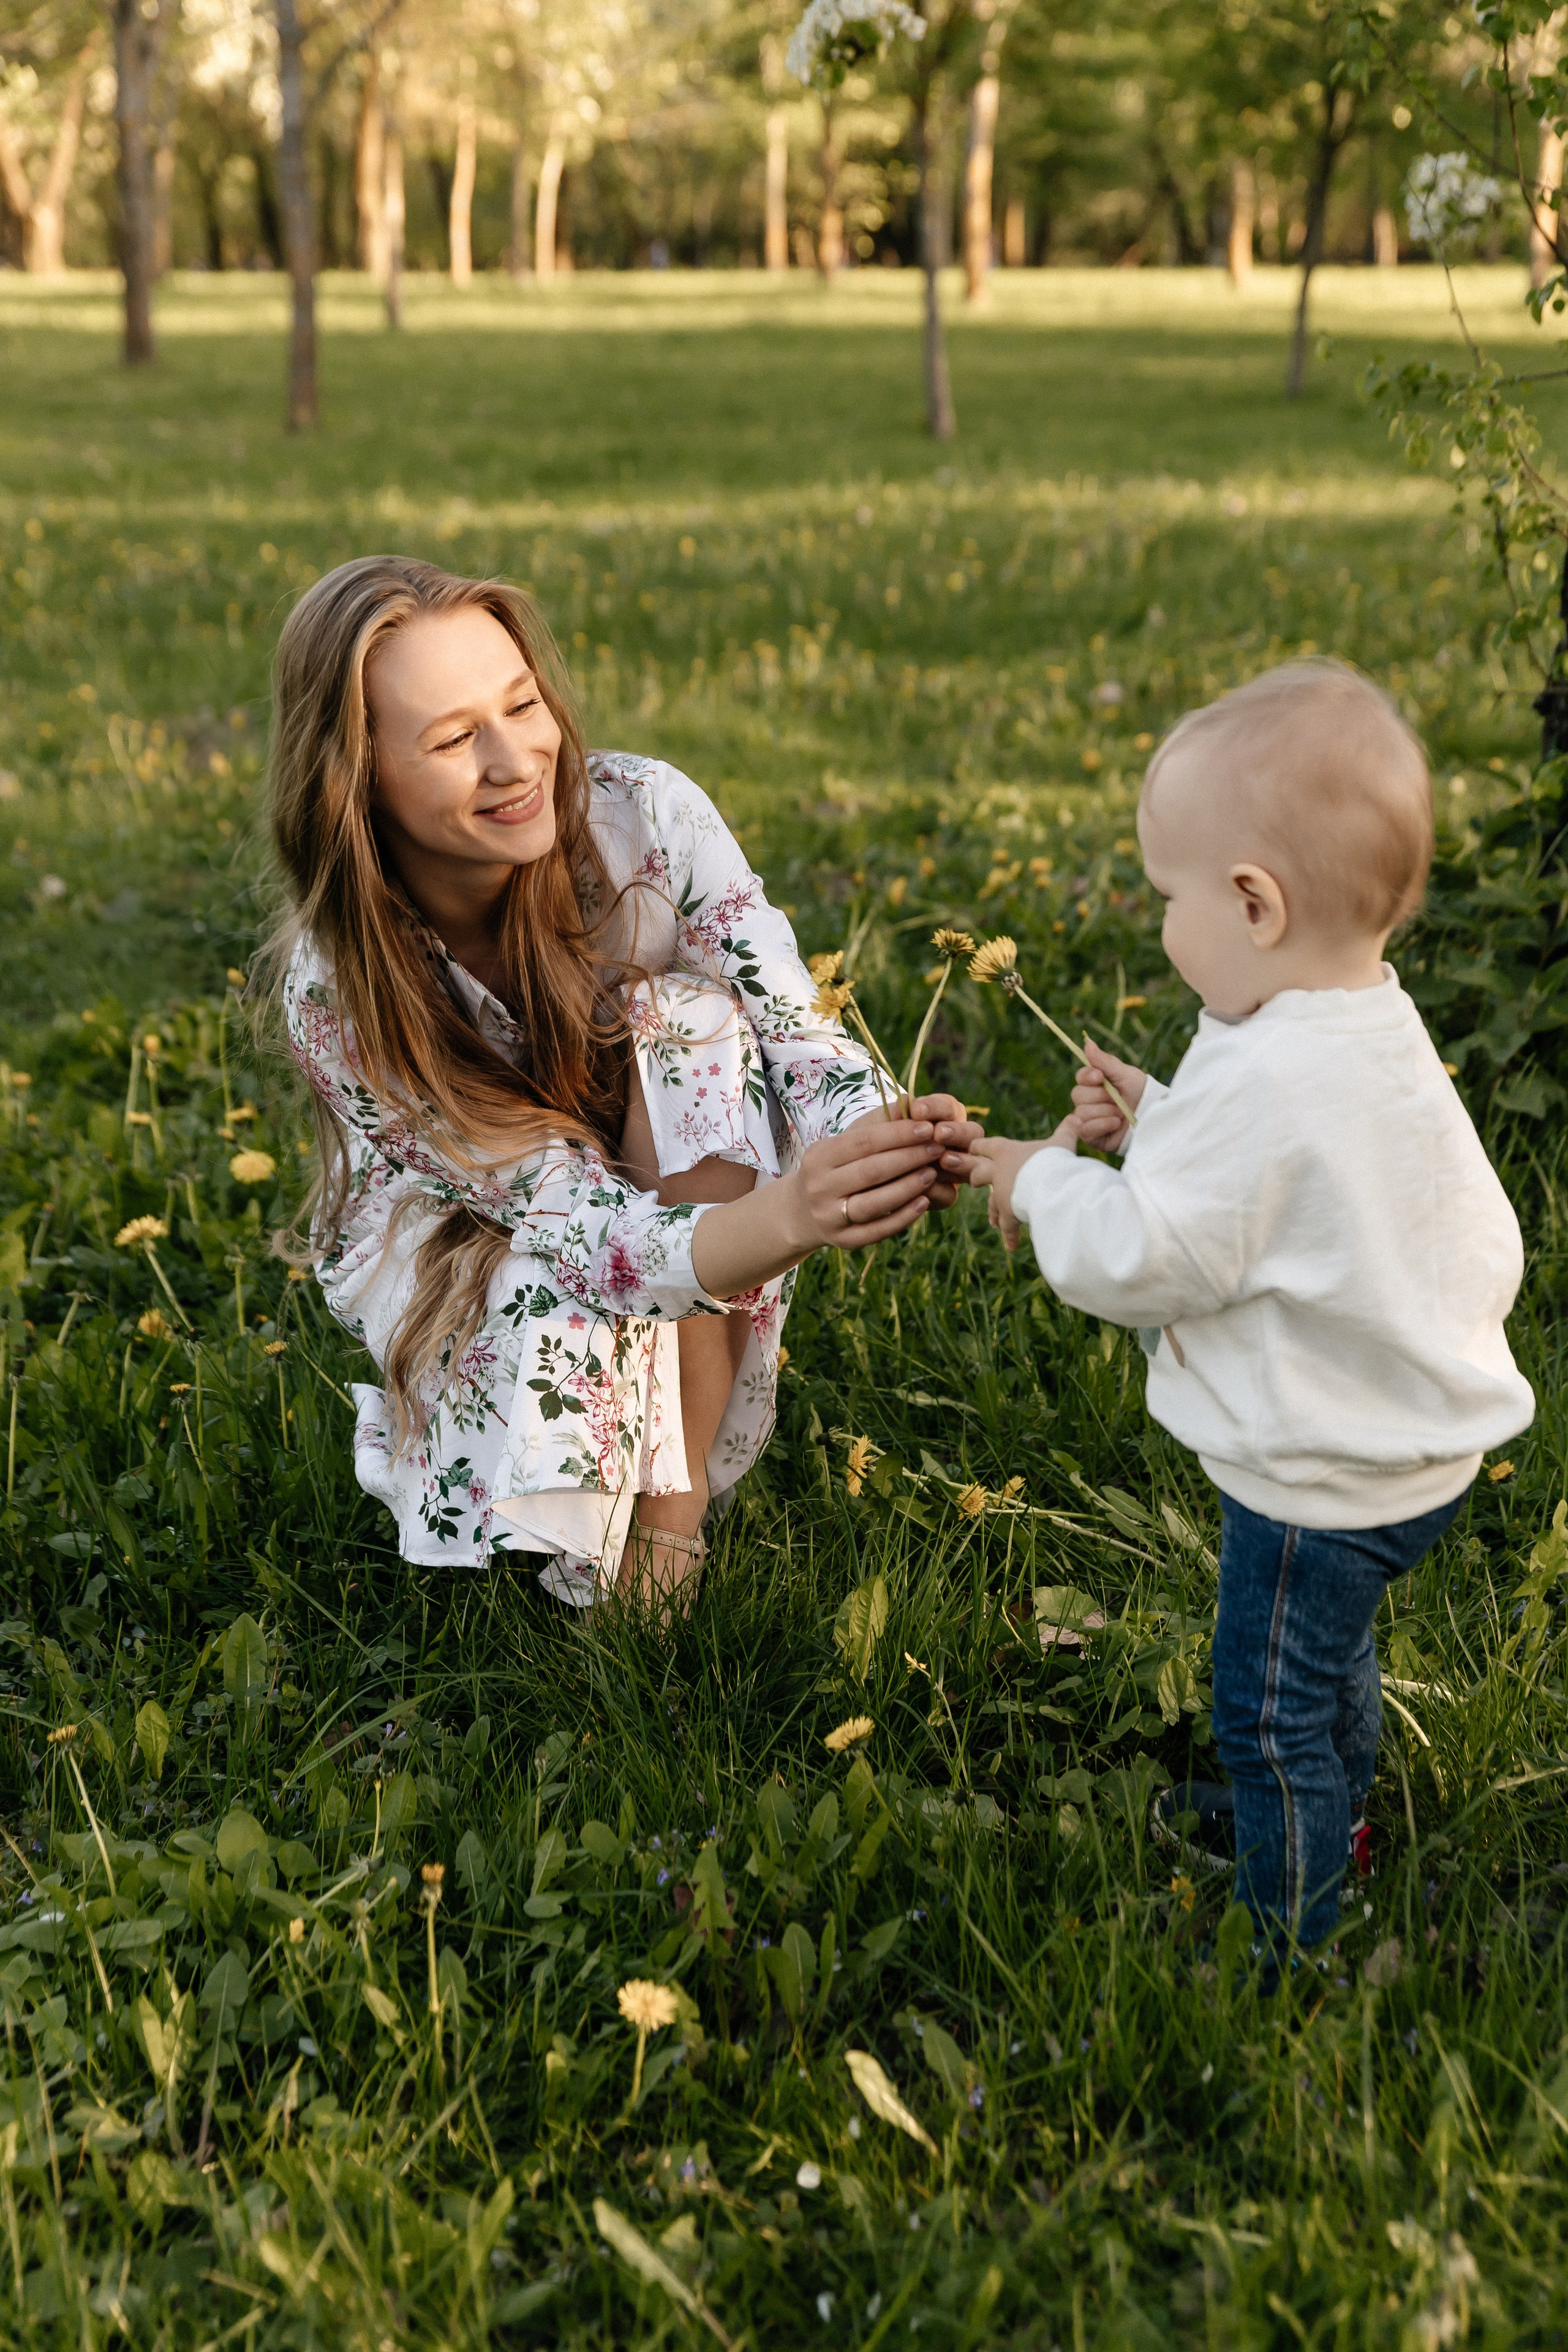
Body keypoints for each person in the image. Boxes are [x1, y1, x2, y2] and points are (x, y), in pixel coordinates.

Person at [263, 556, 978, 1616]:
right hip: (482, 1210)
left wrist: (884, 1138)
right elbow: (573, 1221)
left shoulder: (642, 813)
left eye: (523, 704)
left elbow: (791, 1019)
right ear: (356, 777)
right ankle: (576, 1500)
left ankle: (666, 1536)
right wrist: (790, 1213)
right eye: (456, 739)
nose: (518, 761)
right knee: (559, 1285)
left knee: (690, 1024)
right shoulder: (338, 996)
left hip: (670, 1145)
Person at [958, 660, 1534, 1955]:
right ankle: (1331, 1827)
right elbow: (1282, 1198)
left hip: (1315, 1473)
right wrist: (1160, 1113)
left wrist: (1039, 1177)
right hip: (1407, 1453)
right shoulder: (1352, 1025)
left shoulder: (1274, 1076)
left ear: (1252, 904)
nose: (1161, 925)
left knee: (1264, 1703)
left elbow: (1150, 1257)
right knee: (1328, 1664)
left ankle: (1292, 1931)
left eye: (1169, 900)